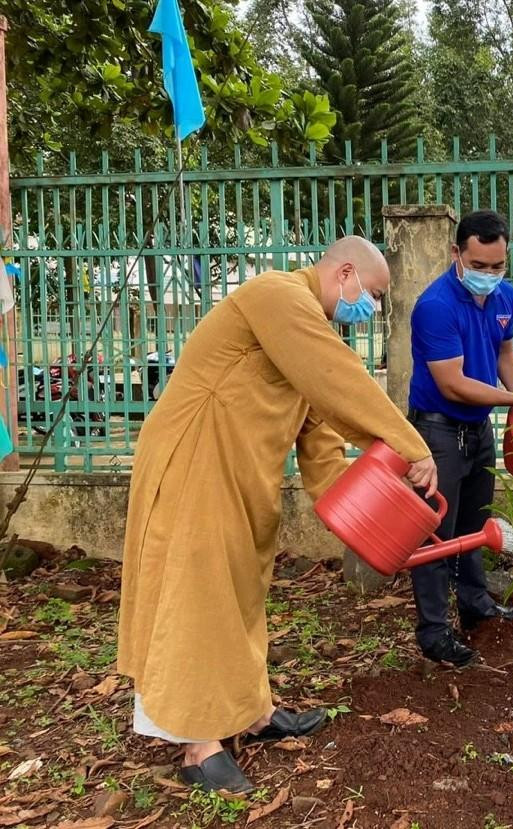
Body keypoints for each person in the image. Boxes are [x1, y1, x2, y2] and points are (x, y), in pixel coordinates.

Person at [117, 237, 438, 793]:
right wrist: (411, 446)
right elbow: (338, 380)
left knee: (243, 588)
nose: (374, 309)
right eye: (375, 295)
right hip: (195, 458)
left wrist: (364, 515)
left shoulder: (301, 334)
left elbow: (321, 431)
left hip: (241, 472)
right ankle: (198, 745)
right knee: (201, 593)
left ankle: (251, 712)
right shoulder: (277, 296)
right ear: (344, 273)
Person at [407, 210, 513, 666]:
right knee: (434, 534)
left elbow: (505, 355)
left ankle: (477, 607)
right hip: (436, 431)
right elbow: (453, 383)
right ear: (456, 253)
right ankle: (435, 633)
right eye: (478, 266)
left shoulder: (503, 298)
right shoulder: (435, 306)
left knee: (474, 527)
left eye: (497, 266)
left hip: (478, 429)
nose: (489, 276)